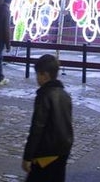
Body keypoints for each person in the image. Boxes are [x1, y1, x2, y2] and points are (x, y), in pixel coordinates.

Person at [22, 54, 74, 182]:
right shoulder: (65, 95)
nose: (37, 78)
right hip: (63, 149)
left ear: (44, 75)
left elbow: (37, 127)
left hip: (46, 153)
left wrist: (28, 156)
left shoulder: (44, 95)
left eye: (37, 75)